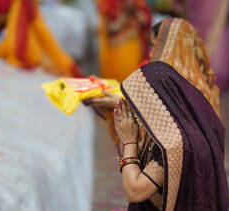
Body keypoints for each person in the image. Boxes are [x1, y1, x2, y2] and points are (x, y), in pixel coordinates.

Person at [114, 61, 229, 211]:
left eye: (138, 103)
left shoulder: (173, 145)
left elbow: (134, 191)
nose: (135, 109)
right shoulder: (177, 131)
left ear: (154, 104)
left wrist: (129, 141)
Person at [85, 18, 220, 145]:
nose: (151, 53)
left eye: (157, 45)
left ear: (173, 46)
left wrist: (121, 105)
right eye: (152, 46)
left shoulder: (192, 87)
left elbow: (174, 131)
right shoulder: (165, 79)